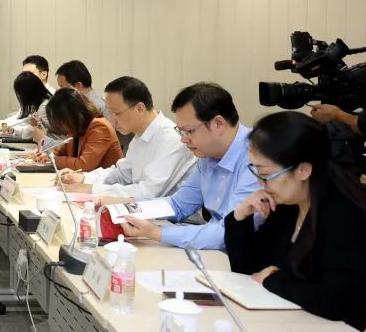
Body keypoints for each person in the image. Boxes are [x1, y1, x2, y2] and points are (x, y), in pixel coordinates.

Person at [224, 111, 366, 330]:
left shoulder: (343, 214)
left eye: (266, 175)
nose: (261, 184)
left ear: (303, 170)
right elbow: (249, 269)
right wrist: (240, 217)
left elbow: (336, 301)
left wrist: (273, 280)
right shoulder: (288, 206)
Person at [119, 82, 260, 250]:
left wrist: (157, 232)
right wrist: (125, 208)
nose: (183, 139)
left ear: (218, 124)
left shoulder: (258, 157)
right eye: (181, 131)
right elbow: (178, 204)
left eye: (189, 131)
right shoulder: (208, 154)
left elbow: (228, 232)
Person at [57, 76, 196, 198]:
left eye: (116, 113)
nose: (112, 121)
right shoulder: (139, 137)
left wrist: (91, 189)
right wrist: (83, 178)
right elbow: (121, 174)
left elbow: (147, 193)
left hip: (170, 217)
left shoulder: (170, 139)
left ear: (140, 108)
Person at [41, 88, 123, 172]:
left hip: (104, 179)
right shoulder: (75, 129)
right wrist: (45, 155)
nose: (59, 125)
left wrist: (53, 159)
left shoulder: (100, 126)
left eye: (60, 120)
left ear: (72, 115)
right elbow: (60, 152)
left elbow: (84, 165)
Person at [0, 71, 51, 139]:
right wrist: (12, 129)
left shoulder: (43, 107)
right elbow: (20, 120)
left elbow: (34, 132)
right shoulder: (35, 104)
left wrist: (1, 126)